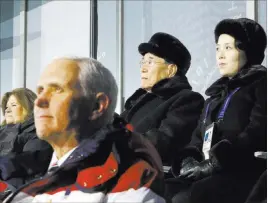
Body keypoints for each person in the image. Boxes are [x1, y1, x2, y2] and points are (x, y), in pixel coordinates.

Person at [3, 57, 165, 203]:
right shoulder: (46, 177)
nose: (39, 101)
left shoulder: (132, 184)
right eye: (40, 91)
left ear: (97, 105)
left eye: (57, 89)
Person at [171, 18, 267, 203]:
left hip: (246, 172)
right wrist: (188, 160)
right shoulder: (214, 97)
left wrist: (217, 162)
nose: (220, 55)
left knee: (189, 197)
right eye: (217, 48)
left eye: (228, 48)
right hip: (211, 173)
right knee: (165, 187)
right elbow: (197, 139)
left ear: (248, 50)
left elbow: (257, 131)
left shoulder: (262, 84)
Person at [121, 32, 204, 167]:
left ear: (171, 70)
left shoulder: (188, 100)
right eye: (143, 62)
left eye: (150, 62)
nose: (143, 68)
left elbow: (163, 142)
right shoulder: (137, 102)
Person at [0, 88, 52, 191]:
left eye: (13, 105)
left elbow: (28, 166)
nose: (7, 110)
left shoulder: (38, 133)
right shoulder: (4, 134)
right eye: (6, 107)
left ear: (28, 107)